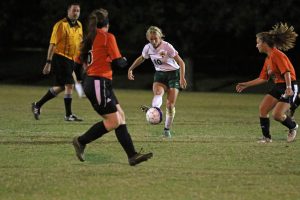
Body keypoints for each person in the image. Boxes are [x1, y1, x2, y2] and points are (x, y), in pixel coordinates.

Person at [72, 8, 153, 166]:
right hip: (98, 83)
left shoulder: (86, 40)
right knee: (113, 121)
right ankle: (80, 141)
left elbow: (75, 67)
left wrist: (82, 85)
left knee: (120, 116)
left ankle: (132, 155)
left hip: (96, 82)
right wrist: (123, 59)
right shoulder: (108, 37)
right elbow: (119, 63)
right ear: (106, 25)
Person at [236, 22, 298, 143]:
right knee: (263, 109)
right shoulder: (268, 58)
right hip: (279, 86)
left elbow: (287, 72)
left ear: (265, 43)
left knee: (277, 115)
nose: (256, 45)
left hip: (289, 85)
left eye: (258, 42)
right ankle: (267, 138)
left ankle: (293, 127)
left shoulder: (277, 55)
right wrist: (246, 84)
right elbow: (263, 78)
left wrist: (289, 88)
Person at [128, 26, 187, 138]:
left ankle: (166, 130)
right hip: (160, 75)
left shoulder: (167, 46)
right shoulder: (147, 48)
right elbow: (142, 58)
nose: (154, 41)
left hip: (174, 74)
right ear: (148, 39)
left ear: (160, 37)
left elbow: (181, 62)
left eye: (156, 38)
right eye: (151, 39)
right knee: (158, 93)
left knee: (170, 105)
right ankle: (154, 110)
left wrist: (182, 78)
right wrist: (130, 69)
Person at [31, 3, 83, 121]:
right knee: (69, 85)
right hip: (60, 57)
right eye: (74, 10)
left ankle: (38, 105)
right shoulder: (60, 25)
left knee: (60, 86)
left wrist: (81, 59)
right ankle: (68, 115)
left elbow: (79, 44)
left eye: (78, 11)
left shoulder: (79, 25)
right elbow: (52, 44)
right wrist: (48, 62)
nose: (76, 13)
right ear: (68, 11)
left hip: (71, 59)